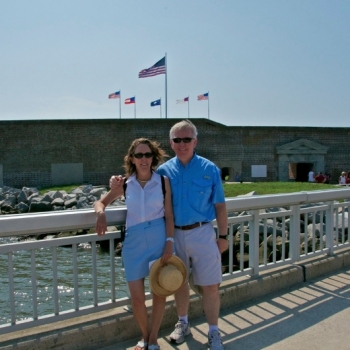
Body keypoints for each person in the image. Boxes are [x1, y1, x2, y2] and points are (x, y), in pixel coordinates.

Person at [110, 120, 228, 349]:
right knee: (177, 283)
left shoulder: (209, 169)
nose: (182, 144)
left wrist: (223, 236)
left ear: (195, 141)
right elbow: (138, 175)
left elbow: (220, 205)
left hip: (202, 232)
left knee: (211, 285)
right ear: (171, 143)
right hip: (172, 236)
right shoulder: (163, 172)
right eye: (177, 140)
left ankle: (214, 332)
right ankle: (182, 323)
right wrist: (115, 182)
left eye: (187, 140)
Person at [95, 138, 174, 350]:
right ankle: (144, 336)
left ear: (153, 157)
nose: (144, 159)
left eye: (147, 155)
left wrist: (169, 242)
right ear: (132, 159)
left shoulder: (163, 182)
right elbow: (100, 201)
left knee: (159, 292)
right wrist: (101, 214)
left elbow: (170, 215)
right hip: (133, 242)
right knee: (137, 299)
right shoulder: (125, 184)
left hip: (158, 238)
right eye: (139, 155)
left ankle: (154, 338)